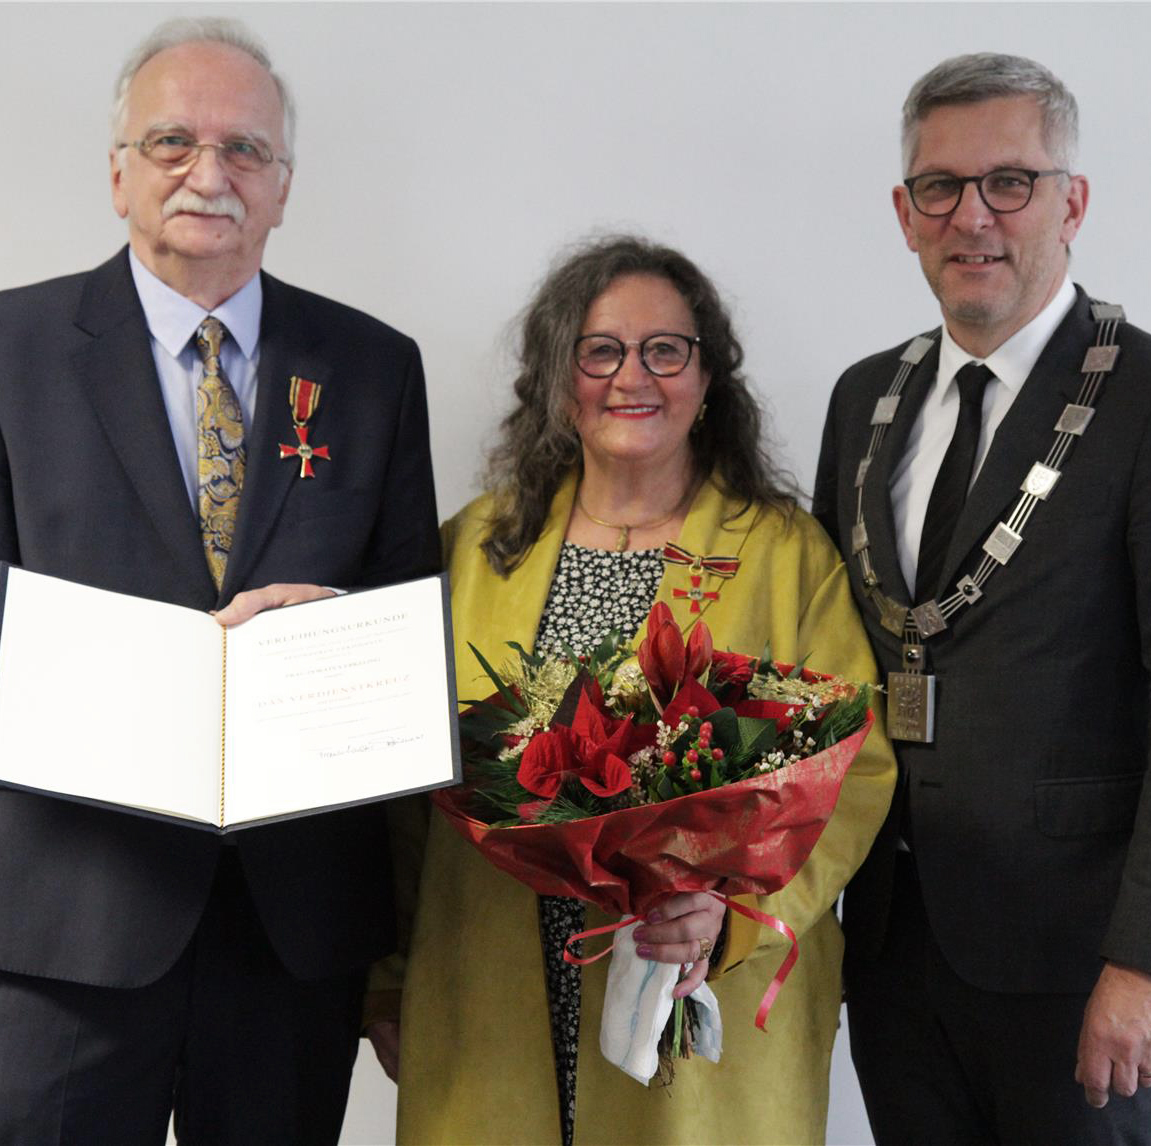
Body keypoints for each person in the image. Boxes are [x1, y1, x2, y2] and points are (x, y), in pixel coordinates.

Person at [0, 18, 439, 1143]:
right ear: (117, 173)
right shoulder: (2, 347)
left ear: (284, 186)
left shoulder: (374, 368)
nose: (209, 174)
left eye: (245, 150)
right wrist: (164, 706)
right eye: (173, 142)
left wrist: (329, 646)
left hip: (291, 924)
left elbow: (404, 617)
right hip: (68, 917)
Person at [814, 53, 1151, 1143]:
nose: (973, 216)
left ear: (1071, 202)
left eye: (1009, 181)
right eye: (941, 187)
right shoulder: (862, 398)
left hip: (1080, 958)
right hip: (888, 947)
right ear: (904, 213)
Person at [367, 235, 894, 1145]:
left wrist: (739, 916)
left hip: (692, 969)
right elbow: (401, 789)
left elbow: (857, 772)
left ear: (706, 377)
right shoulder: (474, 547)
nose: (631, 377)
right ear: (556, 376)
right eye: (599, 350)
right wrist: (384, 971)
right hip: (489, 967)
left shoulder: (784, 553)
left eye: (666, 350)